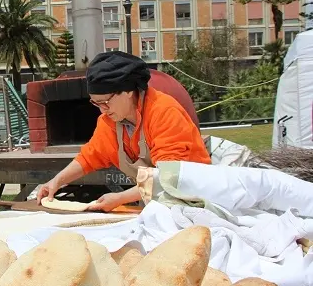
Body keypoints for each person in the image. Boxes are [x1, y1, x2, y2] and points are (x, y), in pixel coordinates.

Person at [36, 51, 211, 212]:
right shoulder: (109, 121)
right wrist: (57, 181)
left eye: (105, 102)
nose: (102, 110)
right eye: (96, 103)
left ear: (127, 91)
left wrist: (120, 198)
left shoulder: (164, 112)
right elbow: (90, 157)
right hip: (158, 205)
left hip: (195, 202)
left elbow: (167, 175)